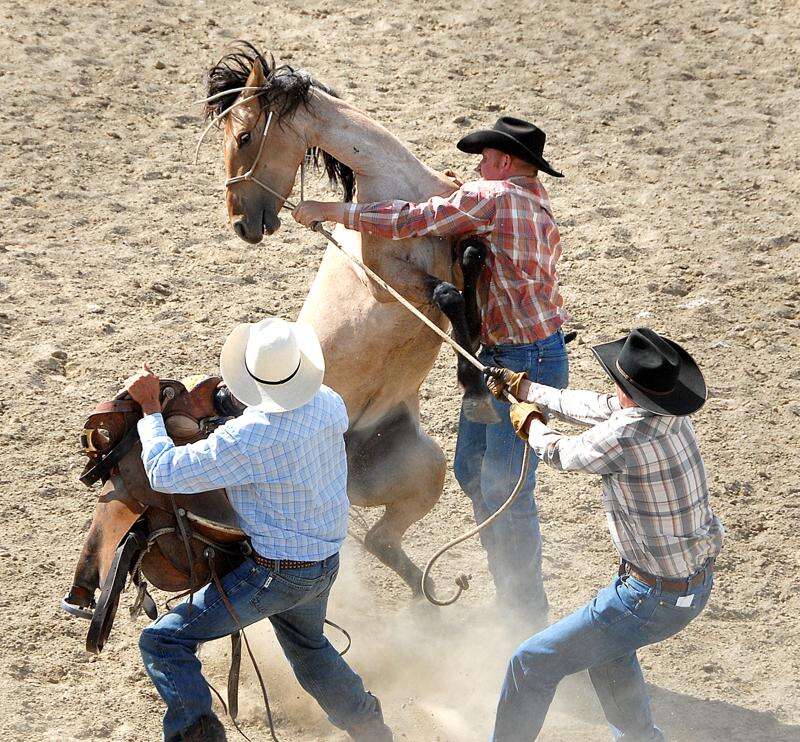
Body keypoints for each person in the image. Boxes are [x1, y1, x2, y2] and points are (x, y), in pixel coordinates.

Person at [293, 115, 569, 627]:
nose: (476, 169)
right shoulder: (531, 198)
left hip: (522, 362)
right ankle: (510, 595)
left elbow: (412, 220)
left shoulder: (495, 197)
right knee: (471, 470)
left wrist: (330, 211)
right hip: (516, 355)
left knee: (506, 488)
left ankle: (524, 612)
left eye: (484, 160)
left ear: (505, 162)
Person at [122, 317, 392, 742]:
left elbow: (164, 471)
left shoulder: (249, 437)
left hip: (276, 575)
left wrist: (152, 410)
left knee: (164, 642)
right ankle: (370, 728)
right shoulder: (328, 401)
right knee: (310, 649)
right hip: (324, 563)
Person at [484, 327, 724, 741]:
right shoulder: (669, 417)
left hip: (649, 597)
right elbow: (599, 406)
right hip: (689, 586)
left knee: (531, 662)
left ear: (625, 386)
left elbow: (562, 452)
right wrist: (528, 390)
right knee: (608, 652)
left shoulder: (626, 435)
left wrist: (531, 423)